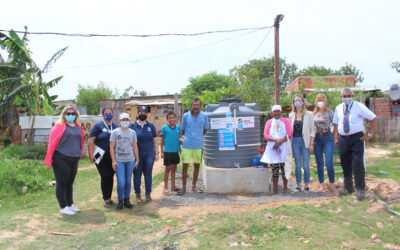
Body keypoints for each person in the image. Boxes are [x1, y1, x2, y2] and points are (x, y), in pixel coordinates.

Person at [333, 88, 377, 200]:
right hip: (343, 139)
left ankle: (360, 189)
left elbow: (373, 118)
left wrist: (370, 134)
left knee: (357, 164)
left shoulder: (359, 106)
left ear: (352, 96)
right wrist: (336, 138)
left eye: (349, 96)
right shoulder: (338, 108)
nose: (347, 98)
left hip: (356, 138)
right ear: (341, 97)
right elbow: (336, 124)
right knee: (345, 164)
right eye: (344, 96)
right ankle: (348, 188)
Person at [44, 105, 84, 216]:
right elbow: (51, 144)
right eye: (68, 113)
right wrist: (48, 160)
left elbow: (79, 142)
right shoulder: (58, 126)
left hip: (73, 159)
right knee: (62, 183)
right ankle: (63, 206)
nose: (70, 115)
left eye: (73, 114)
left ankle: (70, 204)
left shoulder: (77, 126)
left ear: (76, 115)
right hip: (61, 158)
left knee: (69, 183)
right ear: (64, 115)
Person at [88, 107, 119, 208]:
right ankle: (105, 199)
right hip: (99, 155)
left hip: (113, 156)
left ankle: (109, 198)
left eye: (110, 113)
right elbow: (90, 140)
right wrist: (91, 153)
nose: (108, 114)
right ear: (102, 115)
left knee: (110, 176)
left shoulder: (116, 126)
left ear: (113, 114)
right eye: (106, 113)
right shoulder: (98, 126)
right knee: (105, 176)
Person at [129, 106, 159, 203]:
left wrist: (157, 152)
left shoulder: (151, 126)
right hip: (136, 155)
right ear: (137, 113)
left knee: (148, 174)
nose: (143, 114)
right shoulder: (132, 126)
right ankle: (137, 195)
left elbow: (155, 139)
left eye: (145, 112)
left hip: (149, 154)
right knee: (137, 175)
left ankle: (148, 194)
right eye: (141, 112)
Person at [110, 113, 139, 210]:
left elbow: (135, 146)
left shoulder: (132, 132)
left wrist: (137, 159)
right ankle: (120, 201)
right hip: (119, 161)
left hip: (130, 160)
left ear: (129, 121)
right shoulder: (115, 132)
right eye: (123, 119)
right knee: (121, 181)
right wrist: (113, 161)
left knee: (128, 181)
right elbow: (111, 146)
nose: (125, 121)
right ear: (119, 121)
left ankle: (127, 200)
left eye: (127, 119)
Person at [262, 105, 293, 194]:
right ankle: (275, 189)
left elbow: (289, 133)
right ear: (272, 113)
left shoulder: (286, 121)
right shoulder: (269, 122)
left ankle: (285, 188)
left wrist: (281, 141)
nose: (276, 113)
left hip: (284, 146)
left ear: (281, 112)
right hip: (273, 146)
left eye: (278, 111)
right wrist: (275, 140)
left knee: (284, 168)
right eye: (274, 111)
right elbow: (266, 135)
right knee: (274, 168)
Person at [313, 94, 340, 196]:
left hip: (328, 138)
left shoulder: (330, 112)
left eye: (322, 100)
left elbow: (335, 125)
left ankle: (332, 184)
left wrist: (335, 136)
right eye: (319, 100)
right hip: (317, 139)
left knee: (329, 162)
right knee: (319, 162)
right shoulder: (314, 113)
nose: (320, 102)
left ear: (325, 101)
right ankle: (321, 184)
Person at [181, 98, 209, 194]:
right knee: (185, 166)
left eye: (198, 105)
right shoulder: (185, 116)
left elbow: (205, 129)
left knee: (197, 166)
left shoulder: (205, 116)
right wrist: (190, 137)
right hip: (187, 145)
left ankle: (193, 186)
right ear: (191, 105)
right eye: (194, 105)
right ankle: (184, 187)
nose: (196, 106)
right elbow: (183, 130)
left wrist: (198, 136)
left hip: (198, 145)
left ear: (200, 106)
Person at [288, 95, 315, 192]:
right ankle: (298, 183)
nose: (297, 102)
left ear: (303, 102)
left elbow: (312, 130)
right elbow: (290, 130)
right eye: (296, 101)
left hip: (306, 141)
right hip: (295, 141)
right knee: (297, 164)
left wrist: (311, 143)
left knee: (306, 164)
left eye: (299, 100)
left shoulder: (309, 114)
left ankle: (307, 183)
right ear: (293, 103)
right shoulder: (291, 115)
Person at [160, 111, 182, 195]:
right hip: (167, 151)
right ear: (167, 119)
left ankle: (173, 186)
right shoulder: (164, 128)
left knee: (174, 169)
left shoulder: (178, 128)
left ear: (175, 118)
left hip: (175, 151)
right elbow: (162, 141)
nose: (171, 119)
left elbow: (178, 140)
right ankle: (165, 187)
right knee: (167, 169)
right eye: (169, 118)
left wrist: (180, 151)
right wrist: (162, 152)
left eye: (173, 117)